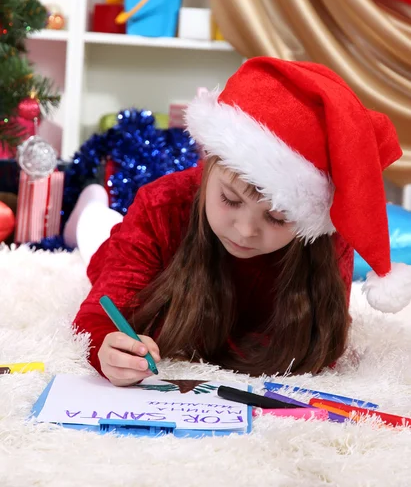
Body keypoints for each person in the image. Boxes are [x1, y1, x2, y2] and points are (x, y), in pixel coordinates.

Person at [72, 57, 411, 386]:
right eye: (230, 200)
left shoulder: (322, 235)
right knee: (101, 248)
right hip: (133, 242)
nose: (246, 230)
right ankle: (93, 214)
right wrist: (108, 350)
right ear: (208, 167)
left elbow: (325, 340)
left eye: (277, 218)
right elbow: (98, 317)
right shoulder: (162, 204)